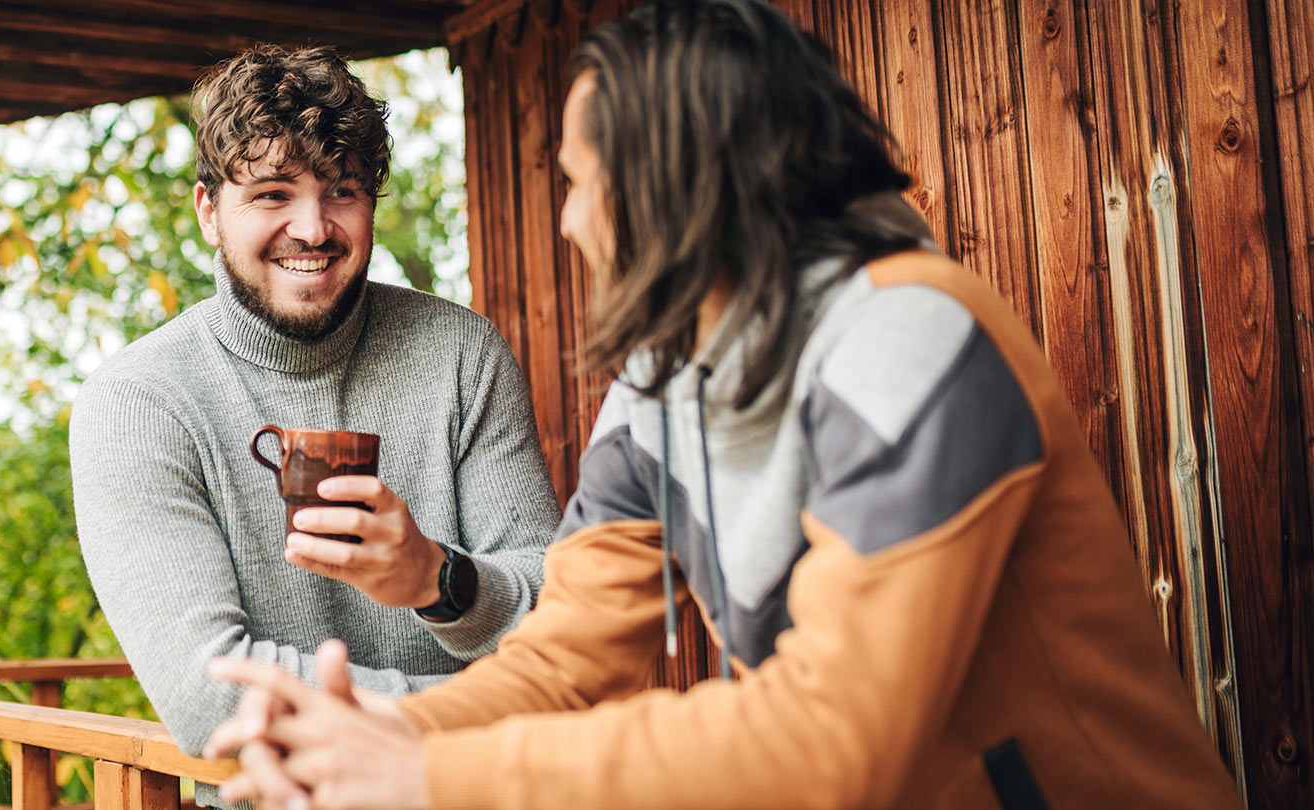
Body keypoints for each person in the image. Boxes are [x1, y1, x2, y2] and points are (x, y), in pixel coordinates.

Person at [202, 3, 1243, 808]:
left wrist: (432, 781)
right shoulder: (663, 381)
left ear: (673, 180)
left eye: (580, 180)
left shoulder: (913, 338)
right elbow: (566, 656)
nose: (567, 220)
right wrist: (378, 736)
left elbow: (834, 737)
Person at [67, 44, 561, 806]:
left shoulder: (463, 355)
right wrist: (476, 718)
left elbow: (558, 624)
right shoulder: (138, 402)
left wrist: (439, 579)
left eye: (342, 189)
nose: (312, 226)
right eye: (271, 194)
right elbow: (211, 697)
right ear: (208, 210)